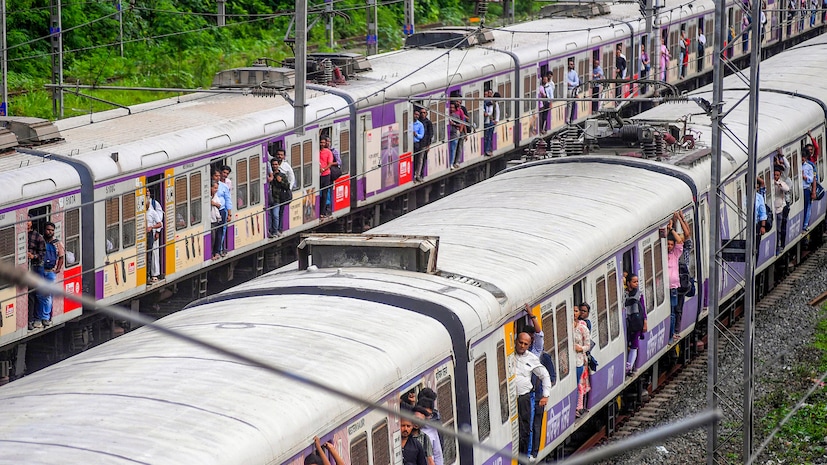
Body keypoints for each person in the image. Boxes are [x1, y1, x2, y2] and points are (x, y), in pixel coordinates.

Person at [514, 332, 551, 456]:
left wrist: (545, 395)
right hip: (509, 399)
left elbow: (544, 374)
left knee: (525, 430)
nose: (522, 346)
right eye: (520, 342)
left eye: (525, 344)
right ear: (516, 341)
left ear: (529, 345)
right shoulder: (508, 356)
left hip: (524, 398)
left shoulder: (531, 358)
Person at [667, 210, 690, 342]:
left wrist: (672, 228)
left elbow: (682, 239)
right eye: (668, 244)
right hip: (668, 287)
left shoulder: (676, 254)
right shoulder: (665, 256)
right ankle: (671, 333)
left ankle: (674, 332)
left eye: (671, 244)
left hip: (676, 285)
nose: (670, 246)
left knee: (675, 310)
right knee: (671, 311)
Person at [39, 222, 64, 326]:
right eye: (48, 230)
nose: (50, 232)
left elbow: (62, 257)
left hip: (50, 272)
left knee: (47, 295)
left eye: (52, 230)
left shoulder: (57, 243)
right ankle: (39, 316)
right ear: (44, 230)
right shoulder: (40, 240)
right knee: (40, 295)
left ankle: (45, 317)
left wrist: (58, 269)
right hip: (40, 271)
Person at [624, 273, 647, 377]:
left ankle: (629, 367)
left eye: (637, 281)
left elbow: (643, 309)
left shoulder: (639, 294)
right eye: (634, 281)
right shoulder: (624, 294)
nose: (636, 284)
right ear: (628, 283)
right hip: (627, 321)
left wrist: (645, 322)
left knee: (634, 344)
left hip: (637, 322)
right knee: (627, 341)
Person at [27, 214, 46, 330]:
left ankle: (34, 319)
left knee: (33, 295)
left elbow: (42, 254)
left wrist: (33, 256)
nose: (26, 223)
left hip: (34, 269)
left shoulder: (38, 237)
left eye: (28, 221)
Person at [573, 306, 590, 418]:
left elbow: (588, 345)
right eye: (572, 311)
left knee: (578, 384)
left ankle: (578, 407)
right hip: (567, 362)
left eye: (576, 311)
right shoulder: (567, 326)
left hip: (579, 360)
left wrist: (581, 349)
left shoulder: (582, 328)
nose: (574, 313)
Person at [212, 169, 232, 257]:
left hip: (222, 210)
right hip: (213, 212)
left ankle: (219, 250)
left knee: (221, 231)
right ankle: (214, 251)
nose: (218, 177)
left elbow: (228, 200)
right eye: (216, 176)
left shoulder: (224, 186)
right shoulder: (210, 186)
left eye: (218, 176)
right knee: (213, 232)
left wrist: (229, 213)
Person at [146, 191, 164, 281]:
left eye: (148, 191)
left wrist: (157, 231)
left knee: (154, 252)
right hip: (146, 233)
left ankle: (155, 273)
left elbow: (160, 219)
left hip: (153, 231)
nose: (147, 193)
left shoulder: (154, 204)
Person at [772, 165, 791, 252]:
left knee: (779, 229)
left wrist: (779, 184)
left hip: (779, 209)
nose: (776, 177)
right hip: (773, 209)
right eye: (774, 175)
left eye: (777, 175)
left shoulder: (781, 183)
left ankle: (779, 245)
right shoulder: (770, 182)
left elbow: (787, 189)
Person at [802, 132, 818, 231]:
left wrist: (805, 178)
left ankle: (805, 224)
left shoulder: (810, 165)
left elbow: (813, 178)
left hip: (807, 188)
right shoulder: (800, 165)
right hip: (801, 188)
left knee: (807, 206)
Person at [416, 108, 434, 181]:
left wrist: (428, 145)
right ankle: (417, 174)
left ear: (426, 114)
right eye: (421, 112)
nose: (422, 114)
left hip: (424, 144)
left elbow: (430, 134)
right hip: (418, 143)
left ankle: (420, 174)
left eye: (424, 112)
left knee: (422, 159)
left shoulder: (428, 122)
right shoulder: (418, 122)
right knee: (418, 159)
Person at [319, 137, 334, 217]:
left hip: (326, 175)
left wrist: (324, 169)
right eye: (321, 142)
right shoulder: (316, 151)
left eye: (323, 143)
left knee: (325, 194)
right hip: (318, 175)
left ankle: (322, 212)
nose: (322, 144)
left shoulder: (328, 152)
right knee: (318, 194)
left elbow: (330, 163)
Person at [448, 102, 466, 169]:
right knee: (450, 149)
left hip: (455, 134)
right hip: (448, 134)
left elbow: (461, 124)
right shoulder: (447, 115)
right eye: (450, 107)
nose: (451, 109)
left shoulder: (456, 116)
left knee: (453, 149)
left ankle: (452, 163)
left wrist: (454, 124)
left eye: (453, 108)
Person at [209, 180, 224, 259]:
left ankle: (215, 252)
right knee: (212, 237)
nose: (216, 190)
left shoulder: (215, 196)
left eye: (217, 188)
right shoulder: (207, 197)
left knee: (216, 237)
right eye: (215, 188)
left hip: (215, 219)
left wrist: (213, 203)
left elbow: (219, 205)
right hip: (210, 220)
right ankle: (211, 254)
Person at [483, 91, 499, 157]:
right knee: (487, 136)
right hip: (487, 122)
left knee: (489, 136)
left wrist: (496, 120)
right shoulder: (487, 102)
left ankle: (488, 149)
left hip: (490, 122)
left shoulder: (493, 103)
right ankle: (487, 150)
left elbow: (496, 111)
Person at [756, 177, 769, 253]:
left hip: (756, 224)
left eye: (757, 187)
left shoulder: (759, 197)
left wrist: (763, 226)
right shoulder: (745, 197)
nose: (756, 189)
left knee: (756, 248)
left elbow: (763, 213)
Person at [566, 59, 579, 124]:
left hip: (570, 89)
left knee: (570, 104)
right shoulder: (565, 72)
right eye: (570, 64)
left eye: (572, 64)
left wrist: (570, 83)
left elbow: (577, 82)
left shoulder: (574, 73)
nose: (572, 65)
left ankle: (568, 119)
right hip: (564, 90)